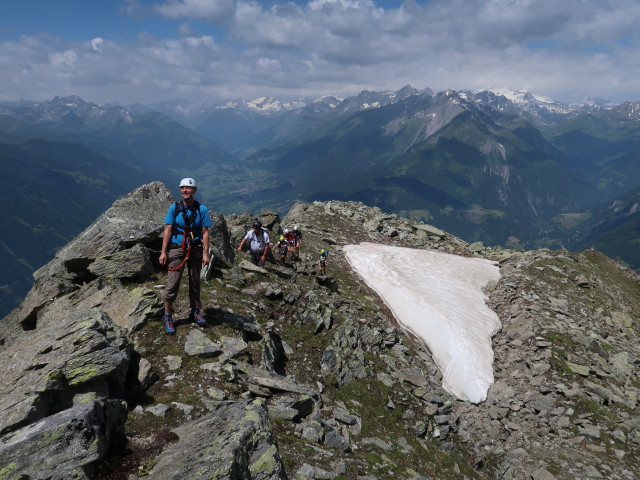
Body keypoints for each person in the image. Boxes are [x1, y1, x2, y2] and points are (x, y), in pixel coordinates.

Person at [159, 178, 212, 334]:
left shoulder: (201, 209)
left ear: (194, 190)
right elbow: (168, 230)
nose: (185, 191)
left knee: (195, 281)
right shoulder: (174, 208)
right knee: (172, 283)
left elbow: (205, 232)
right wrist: (163, 252)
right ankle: (168, 315)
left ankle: (195, 310)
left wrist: (206, 253)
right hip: (177, 248)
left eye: (188, 188)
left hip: (194, 248)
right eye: (182, 188)